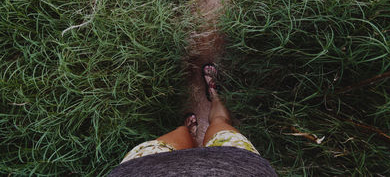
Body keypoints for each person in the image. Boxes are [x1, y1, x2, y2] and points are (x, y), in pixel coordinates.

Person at [109, 63, 277, 176]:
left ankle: (190, 131)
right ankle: (215, 97)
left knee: (179, 133)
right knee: (220, 123)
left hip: (144, 168)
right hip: (239, 167)